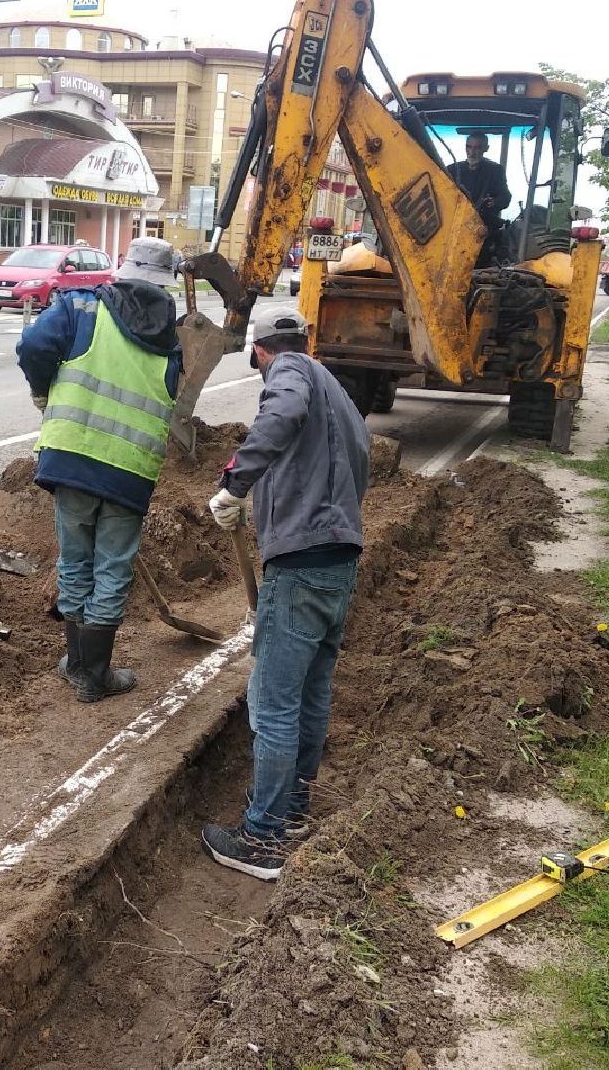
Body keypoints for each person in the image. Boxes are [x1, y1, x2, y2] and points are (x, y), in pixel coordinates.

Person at [201, 304, 370, 880]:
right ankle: (294, 810)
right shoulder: (338, 393)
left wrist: (233, 484)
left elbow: (283, 412)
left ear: (262, 352)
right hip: (338, 556)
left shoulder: (291, 374)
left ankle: (264, 836)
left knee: (272, 701)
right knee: (311, 691)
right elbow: (355, 461)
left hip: (300, 564)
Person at [17, 237, 182, 702]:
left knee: (75, 560)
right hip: (129, 472)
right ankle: (94, 674)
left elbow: (33, 345)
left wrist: (41, 390)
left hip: (71, 459)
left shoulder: (81, 309)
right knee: (111, 568)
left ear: (123, 271)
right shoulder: (171, 342)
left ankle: (79, 663)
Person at [449, 131, 512, 222]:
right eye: (468, 147)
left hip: (484, 224)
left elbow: (505, 197)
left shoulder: (495, 170)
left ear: (486, 148)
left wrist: (494, 202)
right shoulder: (452, 169)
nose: (472, 152)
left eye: (477, 148)